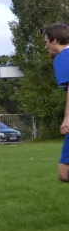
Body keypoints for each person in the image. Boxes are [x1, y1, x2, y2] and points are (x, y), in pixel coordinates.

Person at [45, 22, 69, 182]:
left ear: (54, 40)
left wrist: (67, 117)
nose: (45, 46)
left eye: (46, 41)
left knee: (64, 173)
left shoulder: (62, 57)